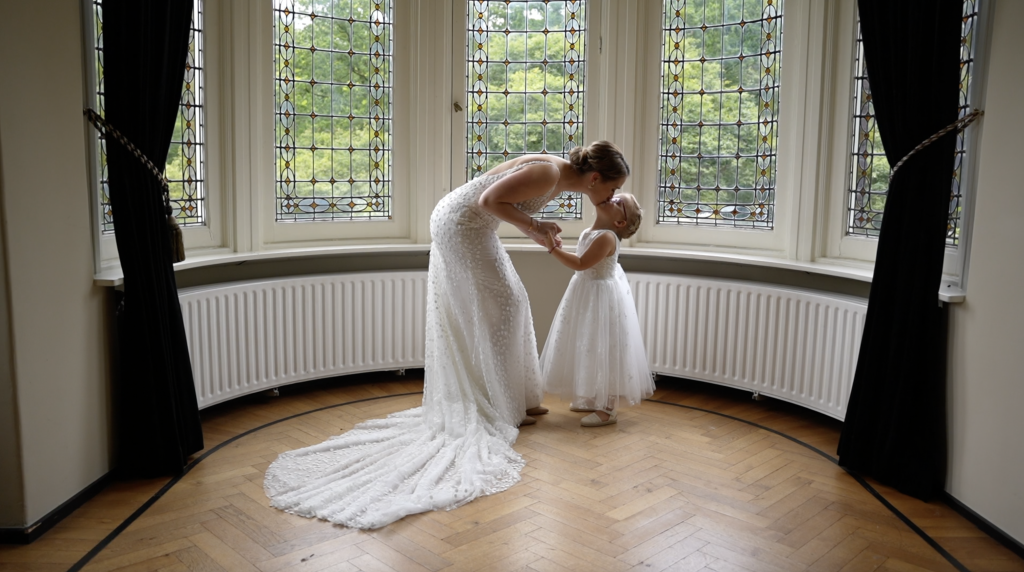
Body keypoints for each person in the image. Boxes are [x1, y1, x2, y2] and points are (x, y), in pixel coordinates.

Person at [263, 141, 631, 529]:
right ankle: (502, 405)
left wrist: (532, 227)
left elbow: (495, 184)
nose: (612, 195)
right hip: (462, 225)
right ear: (594, 179)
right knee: (504, 305)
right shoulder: (550, 173)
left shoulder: (552, 169)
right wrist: (533, 225)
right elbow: (489, 197)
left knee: (513, 301)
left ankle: (518, 399)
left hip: (467, 222)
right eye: (611, 188)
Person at [540, 193, 654, 427]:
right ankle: (591, 396)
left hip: (600, 298)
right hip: (585, 293)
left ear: (620, 223)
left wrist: (553, 249)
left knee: (605, 347)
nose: (611, 198)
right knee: (587, 342)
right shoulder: (589, 233)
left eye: (619, 203)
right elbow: (582, 259)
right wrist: (561, 248)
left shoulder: (607, 237)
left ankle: (608, 408)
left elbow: (580, 264)